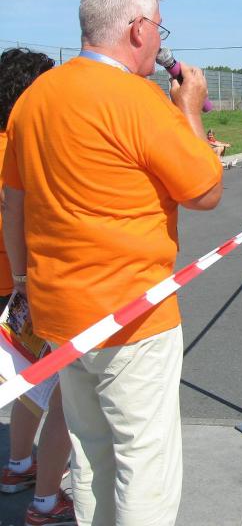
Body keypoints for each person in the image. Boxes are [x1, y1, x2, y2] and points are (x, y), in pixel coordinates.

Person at [2, 0, 223, 526]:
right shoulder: (137, 100)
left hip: (60, 314)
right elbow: (205, 191)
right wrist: (189, 109)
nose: (159, 41)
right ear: (137, 28)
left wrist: (24, 282)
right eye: (159, 28)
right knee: (144, 460)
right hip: (133, 317)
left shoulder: (34, 97)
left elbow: (15, 202)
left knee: (91, 450)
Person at [0, 48, 75, 525]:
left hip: (15, 285)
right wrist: (25, 278)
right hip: (25, 284)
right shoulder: (22, 146)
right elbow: (17, 211)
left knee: (29, 377)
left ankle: (18, 463)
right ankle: (46, 499)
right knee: (67, 390)